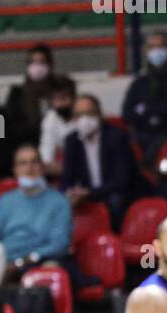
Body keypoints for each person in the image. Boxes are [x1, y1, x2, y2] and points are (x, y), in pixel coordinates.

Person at [0, 144, 72, 279]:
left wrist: (26, 260)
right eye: (23, 163)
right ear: (15, 170)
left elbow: (59, 243)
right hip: (6, 263)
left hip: (39, 261)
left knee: (51, 269)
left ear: (42, 167)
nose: (29, 168)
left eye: (34, 162)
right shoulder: (5, 200)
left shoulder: (59, 202)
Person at [60, 94, 140, 230]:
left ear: (99, 114)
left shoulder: (116, 137)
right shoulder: (71, 141)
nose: (84, 119)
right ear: (74, 119)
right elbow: (67, 177)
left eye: (89, 113)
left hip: (115, 194)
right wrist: (70, 193)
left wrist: (90, 192)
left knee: (116, 201)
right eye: (79, 115)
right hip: (87, 196)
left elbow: (122, 181)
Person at [121, 32, 167, 161]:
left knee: (155, 150)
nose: (156, 51)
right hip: (142, 132)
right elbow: (127, 113)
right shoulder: (139, 82)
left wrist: (144, 109)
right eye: (152, 47)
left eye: (160, 47)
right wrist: (154, 112)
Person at [4, 45, 54, 149]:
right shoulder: (17, 93)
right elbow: (9, 125)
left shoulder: (57, 91)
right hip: (24, 148)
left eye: (42, 62)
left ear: (50, 65)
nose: (38, 67)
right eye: (33, 62)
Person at [37, 75, 77, 176]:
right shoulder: (50, 119)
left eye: (64, 98)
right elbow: (46, 150)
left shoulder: (83, 114)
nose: (61, 103)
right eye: (56, 99)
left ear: (74, 98)